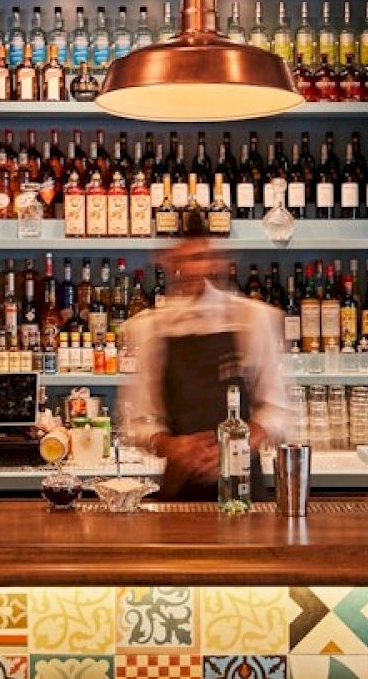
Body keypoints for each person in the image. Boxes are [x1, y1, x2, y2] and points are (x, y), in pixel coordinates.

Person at [119, 214, 294, 500]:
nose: (195, 268)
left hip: (244, 487)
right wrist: (169, 446)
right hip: (181, 488)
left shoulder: (253, 319)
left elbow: (277, 410)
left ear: (219, 262)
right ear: (170, 264)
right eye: (187, 259)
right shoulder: (149, 327)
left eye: (202, 257)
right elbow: (139, 420)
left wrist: (236, 443)